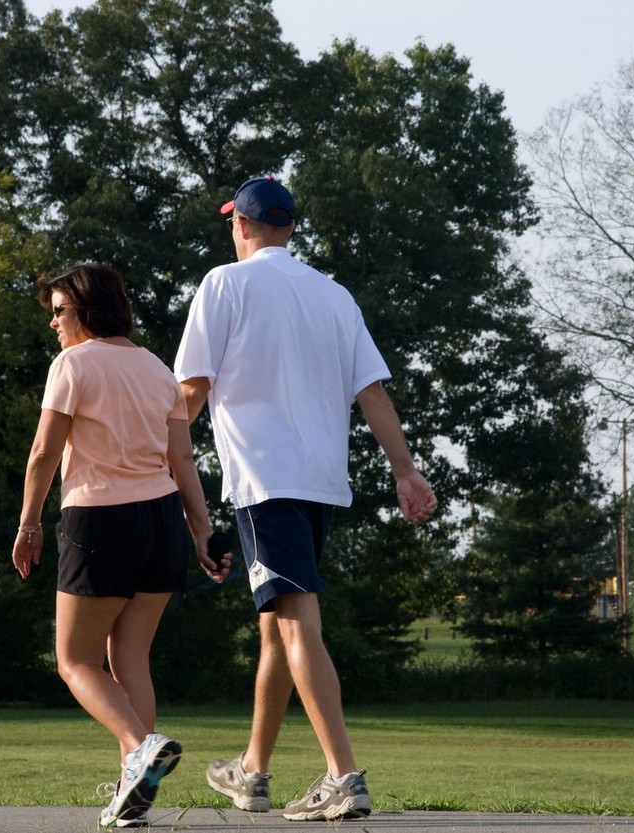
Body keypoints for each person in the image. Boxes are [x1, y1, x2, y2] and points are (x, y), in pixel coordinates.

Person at [174, 177, 438, 821]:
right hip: (320, 483)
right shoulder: (334, 295)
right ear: (288, 227)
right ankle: (252, 773)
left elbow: (190, 394)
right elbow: (371, 393)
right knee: (277, 628)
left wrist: (156, 466)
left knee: (296, 623)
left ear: (241, 224)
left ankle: (343, 776)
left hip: (265, 482)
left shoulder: (223, 285)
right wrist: (405, 471)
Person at [12, 262, 231, 829]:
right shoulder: (158, 369)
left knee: (75, 660)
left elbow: (42, 453)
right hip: (161, 524)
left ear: (87, 308)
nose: (54, 323)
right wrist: (202, 531)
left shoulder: (73, 364)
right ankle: (131, 796)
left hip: (99, 522)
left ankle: (139, 748)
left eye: (60, 311)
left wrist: (29, 523)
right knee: (129, 658)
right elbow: (182, 460)